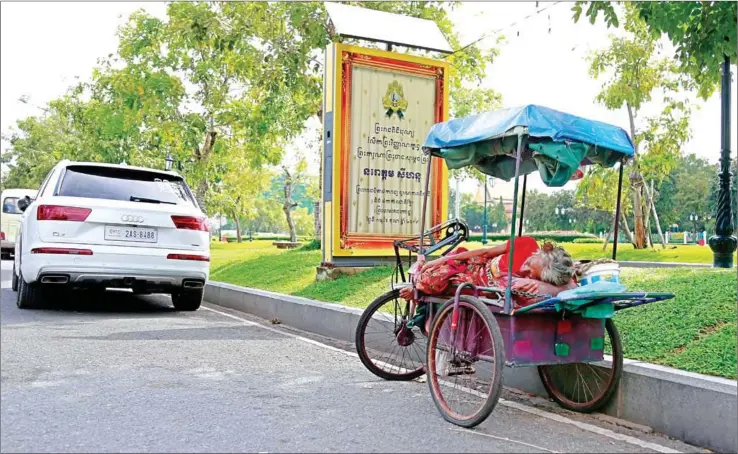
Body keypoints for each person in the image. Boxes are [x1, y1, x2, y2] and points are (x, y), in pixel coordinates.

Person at [399, 237, 576, 304]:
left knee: (437, 279)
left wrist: (534, 281)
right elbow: (486, 252)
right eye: (530, 263)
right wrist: (444, 258)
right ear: (541, 251)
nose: (525, 270)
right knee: (446, 263)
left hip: (474, 282)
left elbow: (570, 285)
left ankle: (417, 289)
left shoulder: (539, 280)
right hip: (477, 262)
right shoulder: (526, 243)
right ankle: (416, 284)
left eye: (531, 273)